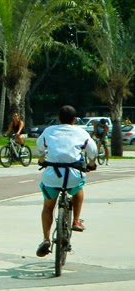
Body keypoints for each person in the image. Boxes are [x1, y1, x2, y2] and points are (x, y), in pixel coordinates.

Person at [34, 105, 97, 257]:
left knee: (48, 207)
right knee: (79, 188)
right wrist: (91, 164)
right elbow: (92, 150)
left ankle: (46, 239)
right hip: (73, 176)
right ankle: (75, 220)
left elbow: (39, 147)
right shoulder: (80, 132)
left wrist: (42, 160)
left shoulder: (49, 131)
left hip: (52, 176)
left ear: (58, 118)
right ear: (74, 119)